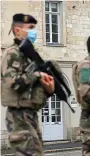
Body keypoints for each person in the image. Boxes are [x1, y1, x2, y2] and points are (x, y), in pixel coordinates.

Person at [1, 13, 55, 156]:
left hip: (31, 114)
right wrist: (37, 75)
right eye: (30, 28)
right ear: (17, 30)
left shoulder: (30, 55)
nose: (34, 31)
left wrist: (49, 89)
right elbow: (14, 83)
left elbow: (35, 87)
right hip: (18, 115)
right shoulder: (11, 54)